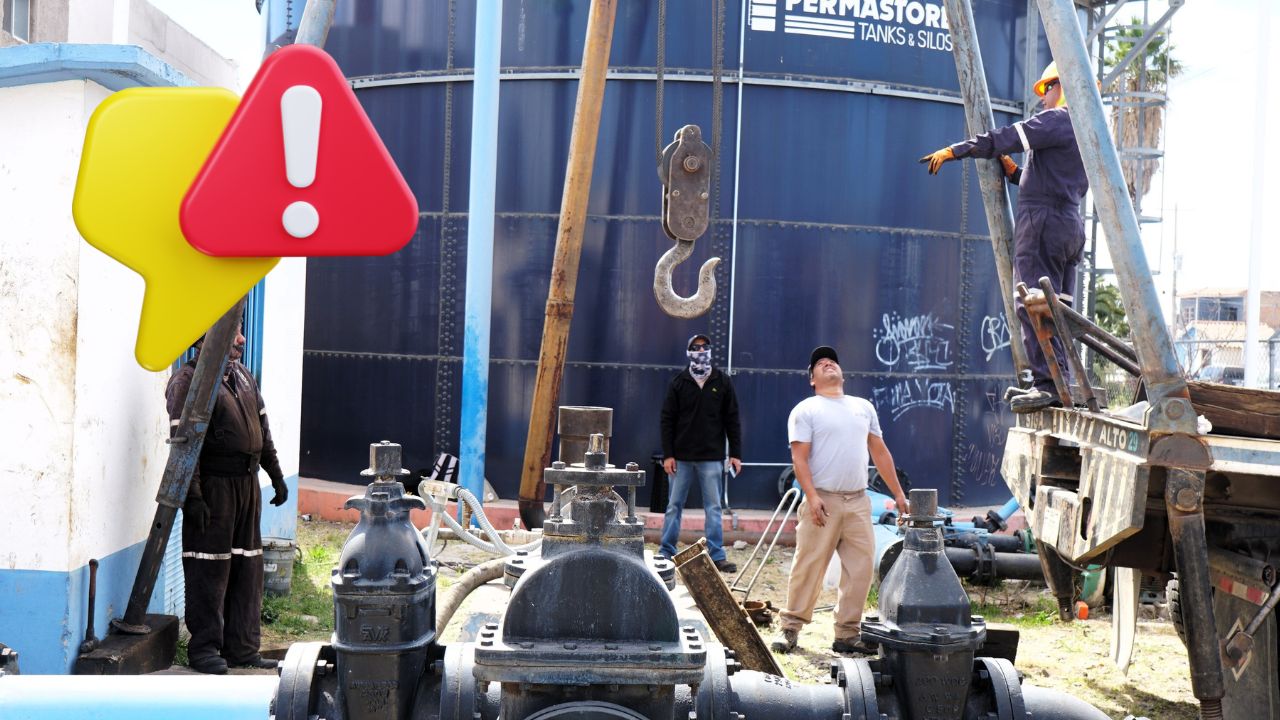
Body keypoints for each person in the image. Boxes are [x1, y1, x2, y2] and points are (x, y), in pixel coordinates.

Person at [919, 61, 1088, 413]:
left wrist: (957, 150)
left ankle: (1046, 385)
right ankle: (1062, 383)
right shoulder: (1089, 131)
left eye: (1046, 90)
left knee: (1031, 302)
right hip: (1071, 225)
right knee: (1059, 309)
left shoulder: (1058, 120)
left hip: (1042, 223)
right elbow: (1055, 181)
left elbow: (1006, 137)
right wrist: (1016, 173)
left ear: (1061, 86)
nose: (1042, 99)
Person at [166, 325, 287, 674]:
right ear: (203, 337)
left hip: (247, 487)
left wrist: (276, 475)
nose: (241, 339)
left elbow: (263, 431)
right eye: (233, 331)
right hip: (214, 489)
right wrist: (193, 497)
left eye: (240, 330)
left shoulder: (243, 376)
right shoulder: (187, 381)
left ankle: (242, 649)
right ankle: (205, 650)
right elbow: (184, 445)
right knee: (209, 567)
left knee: (247, 568)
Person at [771, 346, 908, 656]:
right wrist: (812, 496)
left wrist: (899, 494)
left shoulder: (863, 407)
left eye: (832, 361)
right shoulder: (806, 409)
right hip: (823, 500)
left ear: (842, 374)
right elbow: (799, 459)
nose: (828, 363)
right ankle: (790, 628)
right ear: (812, 379)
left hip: (859, 501)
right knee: (809, 566)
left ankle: (847, 634)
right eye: (820, 363)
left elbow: (880, 451)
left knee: (861, 570)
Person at [659, 333, 743, 573]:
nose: (700, 351)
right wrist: (668, 455)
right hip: (681, 458)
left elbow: (732, 419)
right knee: (674, 506)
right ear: (688, 352)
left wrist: (735, 454)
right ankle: (666, 552)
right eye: (695, 347)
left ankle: (717, 556)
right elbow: (667, 420)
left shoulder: (722, 381)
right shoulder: (679, 382)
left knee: (713, 508)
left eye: (704, 346)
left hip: (711, 457)